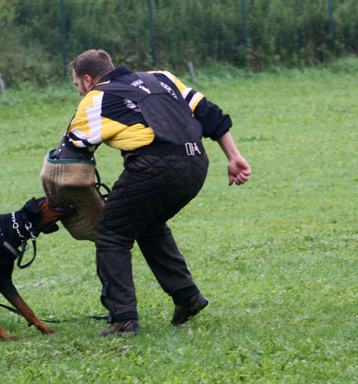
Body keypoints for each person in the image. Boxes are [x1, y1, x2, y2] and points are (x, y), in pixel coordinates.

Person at [60, 49, 251, 335]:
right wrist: (234, 157)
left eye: (77, 84)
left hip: (155, 167)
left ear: (88, 79)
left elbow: (69, 153)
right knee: (148, 223)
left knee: (111, 233)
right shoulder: (162, 78)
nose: (79, 91)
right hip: (196, 163)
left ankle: (123, 319)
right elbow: (210, 114)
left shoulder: (95, 99)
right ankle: (187, 297)